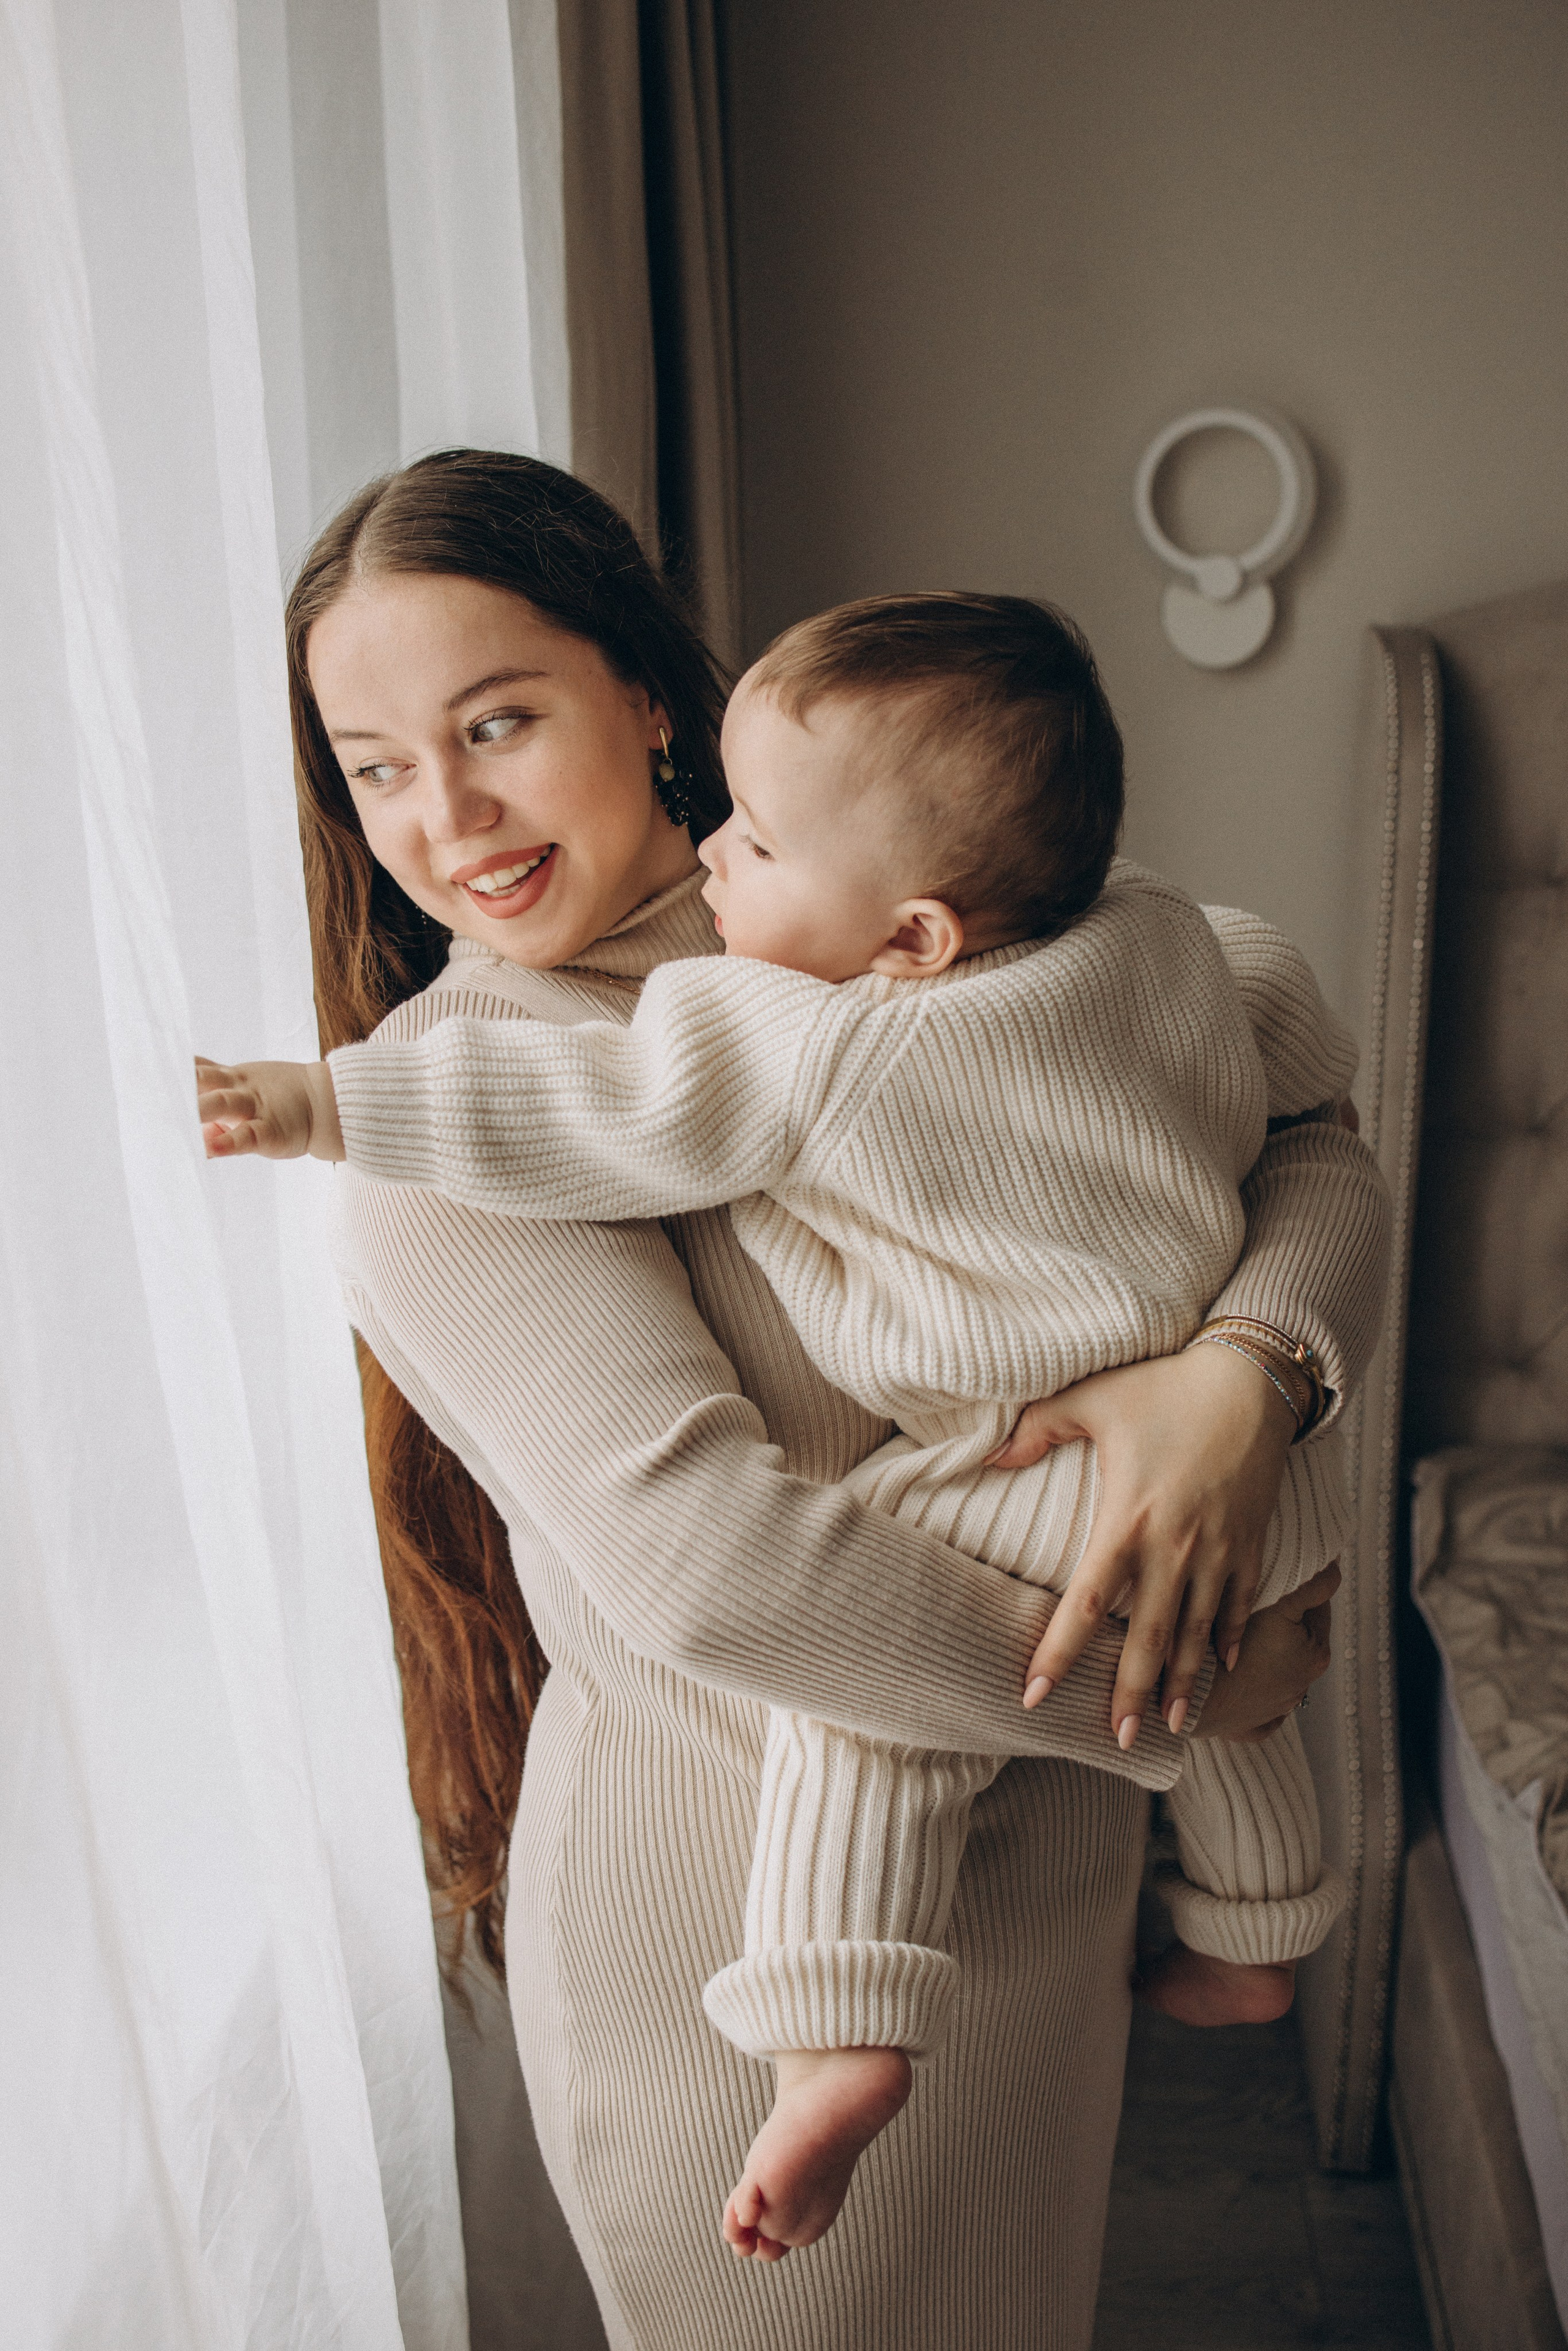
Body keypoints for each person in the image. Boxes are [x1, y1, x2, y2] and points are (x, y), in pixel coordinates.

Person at [202, 450, 1384, 2351]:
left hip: (1040, 1887)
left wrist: (1248, 1380)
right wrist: (1184, 1683)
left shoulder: (912, 894)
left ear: (643, 697)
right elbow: (719, 1573)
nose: (449, 815)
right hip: (747, 1944)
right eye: (378, 765)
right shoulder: (465, 1119)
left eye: (496, 721)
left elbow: (1310, 1136)